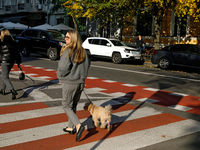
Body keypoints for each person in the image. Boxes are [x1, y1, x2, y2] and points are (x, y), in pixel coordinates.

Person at [57, 30, 90, 142]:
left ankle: (78, 125)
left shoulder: (68, 51)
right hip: (81, 82)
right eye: (65, 36)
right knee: (73, 104)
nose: (65, 38)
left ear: (73, 39)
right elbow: (88, 65)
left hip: (70, 82)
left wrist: (60, 76)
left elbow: (63, 68)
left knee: (66, 105)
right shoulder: (83, 51)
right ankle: (71, 127)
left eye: (67, 37)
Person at [0, 28, 22, 100]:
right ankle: (2, 90)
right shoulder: (13, 41)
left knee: (5, 77)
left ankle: (12, 90)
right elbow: (17, 53)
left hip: (4, 61)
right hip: (11, 61)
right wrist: (18, 62)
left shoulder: (1, 41)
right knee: (5, 75)